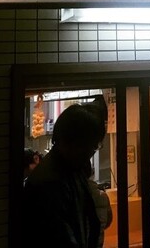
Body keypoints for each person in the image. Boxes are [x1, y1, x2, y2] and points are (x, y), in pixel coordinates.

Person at [21, 98, 107, 248]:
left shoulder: (71, 169)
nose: (91, 152)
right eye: (91, 146)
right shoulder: (49, 183)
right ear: (74, 143)